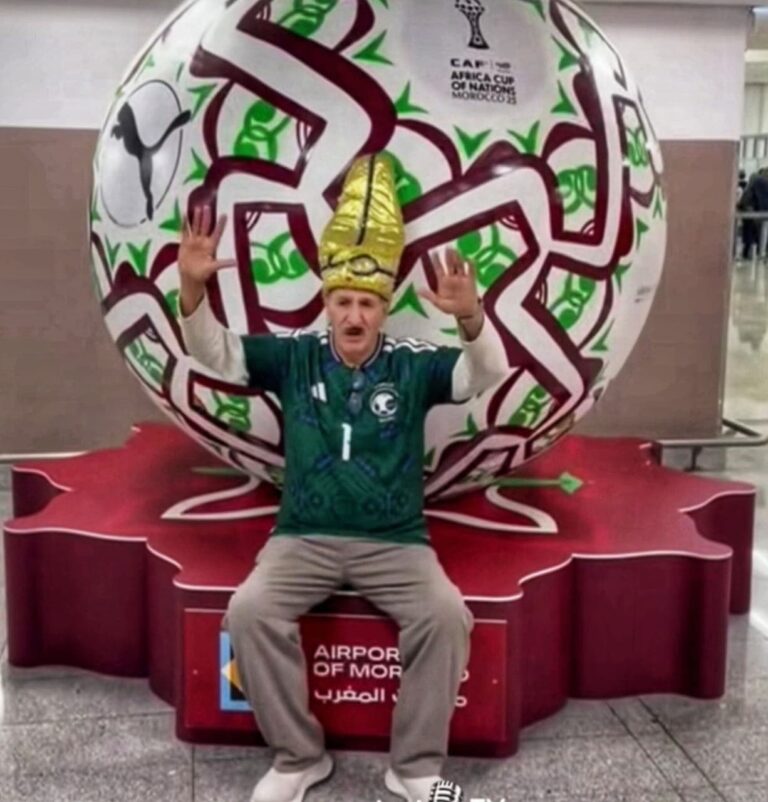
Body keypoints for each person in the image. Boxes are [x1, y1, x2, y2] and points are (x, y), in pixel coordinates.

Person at [178, 154, 508, 802]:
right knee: (250, 611)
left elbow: (485, 374)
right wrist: (192, 290)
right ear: (327, 304)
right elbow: (215, 352)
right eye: (343, 302)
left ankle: (414, 769)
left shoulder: (413, 365)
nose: (354, 315)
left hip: (396, 542)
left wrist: (471, 317)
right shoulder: (294, 356)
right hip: (302, 537)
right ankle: (298, 758)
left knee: (445, 616)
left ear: (384, 308)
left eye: (367, 304)